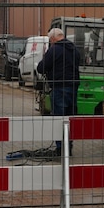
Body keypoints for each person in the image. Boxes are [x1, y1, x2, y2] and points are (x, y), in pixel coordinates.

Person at [36, 27, 80, 156]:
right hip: (73, 87)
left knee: (58, 118)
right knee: (69, 118)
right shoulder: (74, 50)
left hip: (59, 87)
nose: (51, 42)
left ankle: (61, 148)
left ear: (53, 38)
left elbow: (41, 68)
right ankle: (69, 146)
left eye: (50, 40)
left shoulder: (54, 50)